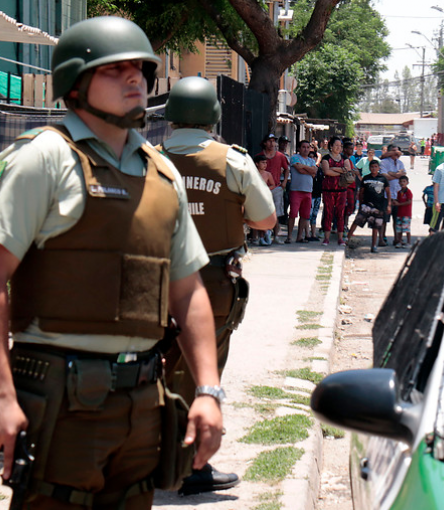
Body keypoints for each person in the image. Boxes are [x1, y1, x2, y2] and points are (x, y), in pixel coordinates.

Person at [0, 17, 224, 509]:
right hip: (61, 404)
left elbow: (188, 290)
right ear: (74, 85)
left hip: (143, 403)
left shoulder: (161, 172)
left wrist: (209, 391)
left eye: (140, 69)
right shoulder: (43, 159)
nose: (134, 78)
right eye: (114, 69)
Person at [159, 76, 276, 494]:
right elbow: (265, 220)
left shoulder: (148, 157)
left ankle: (157, 457)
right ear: (214, 115)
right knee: (201, 372)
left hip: (154, 281)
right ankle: (192, 467)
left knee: (155, 368)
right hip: (212, 282)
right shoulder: (234, 161)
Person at [347, 160, 391, 253]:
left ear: (378, 168)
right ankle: (347, 239)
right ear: (369, 168)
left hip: (378, 206)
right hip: (366, 205)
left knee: (375, 226)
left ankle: (374, 245)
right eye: (372, 167)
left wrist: (389, 205)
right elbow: (361, 192)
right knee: (357, 221)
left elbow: (388, 192)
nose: (374, 169)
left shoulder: (383, 179)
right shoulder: (366, 178)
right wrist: (360, 204)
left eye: (376, 167)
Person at [257, 134, 289, 244]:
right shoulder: (260, 156)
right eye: (269, 141)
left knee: (277, 213)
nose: (272, 144)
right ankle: (260, 236)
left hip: (276, 187)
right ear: (265, 143)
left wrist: (284, 181)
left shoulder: (280, 156)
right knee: (261, 212)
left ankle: (276, 236)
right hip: (262, 189)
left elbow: (286, 169)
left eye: (273, 141)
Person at [320, 136, 350, 246]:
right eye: (336, 145)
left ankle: (340, 238)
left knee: (340, 213)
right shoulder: (326, 158)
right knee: (328, 212)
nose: (338, 148)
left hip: (342, 190)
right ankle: (326, 238)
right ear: (331, 146)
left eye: (340, 146)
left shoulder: (344, 158)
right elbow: (326, 172)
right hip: (328, 190)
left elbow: (348, 170)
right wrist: (341, 171)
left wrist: (333, 169)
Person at [288, 140, 317, 243]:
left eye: (307, 147)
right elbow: (300, 170)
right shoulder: (295, 158)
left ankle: (299, 236)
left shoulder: (312, 160)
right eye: (303, 147)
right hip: (296, 190)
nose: (306, 149)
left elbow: (314, 172)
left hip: (308, 190)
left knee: (305, 215)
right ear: (299, 148)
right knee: (293, 214)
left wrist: (304, 167)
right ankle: (289, 236)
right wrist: (309, 170)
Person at [380, 144, 407, 247]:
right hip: (387, 196)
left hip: (399, 195)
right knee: (384, 219)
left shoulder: (400, 163)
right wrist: (397, 175)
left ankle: (397, 239)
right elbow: (385, 177)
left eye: (397, 152)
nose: (396, 154)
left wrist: (392, 174)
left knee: (398, 219)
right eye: (394, 151)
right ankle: (382, 238)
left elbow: (403, 177)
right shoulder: (384, 162)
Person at [341, 137, 361, 241]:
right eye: (349, 148)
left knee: (351, 208)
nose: (351, 151)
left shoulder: (351, 159)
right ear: (344, 149)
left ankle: (345, 225)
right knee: (345, 208)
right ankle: (343, 227)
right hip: (346, 187)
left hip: (353, 186)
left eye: (352, 148)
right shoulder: (343, 159)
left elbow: (355, 171)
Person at [393, 175, 413, 247]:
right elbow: (398, 200)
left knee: (406, 229)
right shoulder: (399, 192)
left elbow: (409, 201)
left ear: (407, 182)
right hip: (399, 213)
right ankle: (400, 241)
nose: (402, 183)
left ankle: (408, 242)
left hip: (406, 213)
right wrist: (395, 202)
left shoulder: (408, 192)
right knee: (399, 229)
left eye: (404, 181)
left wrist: (399, 204)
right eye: (401, 182)